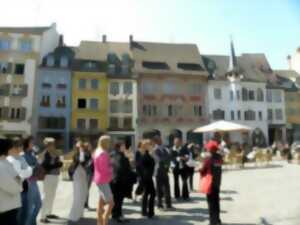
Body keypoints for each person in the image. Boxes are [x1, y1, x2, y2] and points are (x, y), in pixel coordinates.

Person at [7, 137, 33, 225]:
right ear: (15, 147)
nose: (22, 148)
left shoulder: (21, 158)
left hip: (24, 190)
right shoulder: (8, 160)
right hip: (15, 192)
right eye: (21, 146)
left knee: (24, 215)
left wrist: (23, 174)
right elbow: (18, 176)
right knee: (17, 217)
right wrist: (23, 174)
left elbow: (29, 171)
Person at [0, 137, 23, 225]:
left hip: (9, 209)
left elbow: (19, 179)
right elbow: (14, 187)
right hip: (5, 211)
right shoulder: (1, 165)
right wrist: (19, 183)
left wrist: (18, 181)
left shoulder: (5, 163)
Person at [40, 137, 63, 223]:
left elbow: (60, 163)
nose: (54, 145)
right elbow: (46, 166)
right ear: (48, 145)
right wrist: (57, 164)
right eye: (52, 144)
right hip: (48, 177)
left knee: (51, 196)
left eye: (53, 144)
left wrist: (57, 164)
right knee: (46, 196)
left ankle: (48, 213)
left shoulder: (55, 153)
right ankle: (43, 216)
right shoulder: (45, 154)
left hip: (55, 176)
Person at [200, 140, 223, 225]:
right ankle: (217, 219)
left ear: (210, 149)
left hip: (210, 183)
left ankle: (212, 221)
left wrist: (200, 168)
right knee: (216, 201)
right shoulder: (220, 158)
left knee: (211, 203)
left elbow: (203, 170)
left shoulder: (208, 159)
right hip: (217, 182)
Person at [69, 141, 92, 222]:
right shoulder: (77, 154)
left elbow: (87, 160)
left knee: (83, 193)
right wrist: (81, 150)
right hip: (77, 174)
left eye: (82, 146)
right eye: (79, 146)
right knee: (78, 194)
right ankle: (74, 215)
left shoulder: (86, 153)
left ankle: (80, 213)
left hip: (82, 173)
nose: (81, 147)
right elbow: (81, 160)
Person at [93, 135, 114, 225]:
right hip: (103, 179)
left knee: (101, 202)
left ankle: (99, 222)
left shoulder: (97, 151)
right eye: (109, 142)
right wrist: (112, 169)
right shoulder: (103, 153)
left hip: (98, 178)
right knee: (111, 203)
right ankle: (105, 222)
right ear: (105, 143)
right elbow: (104, 169)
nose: (110, 144)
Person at [110, 142, 132, 223]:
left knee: (116, 199)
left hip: (113, 180)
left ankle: (115, 214)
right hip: (120, 181)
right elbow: (122, 168)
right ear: (119, 147)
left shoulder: (112, 154)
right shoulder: (121, 156)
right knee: (119, 200)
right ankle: (118, 216)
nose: (125, 147)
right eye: (123, 146)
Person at [23, 136, 42, 225]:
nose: (33, 144)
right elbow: (26, 169)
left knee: (38, 204)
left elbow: (37, 164)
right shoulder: (23, 155)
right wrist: (35, 166)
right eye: (32, 142)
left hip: (34, 181)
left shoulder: (32, 153)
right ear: (27, 143)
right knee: (30, 207)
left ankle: (31, 222)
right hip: (28, 181)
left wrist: (38, 161)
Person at [153, 135, 173, 209]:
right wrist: (167, 158)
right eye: (160, 140)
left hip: (165, 170)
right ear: (156, 141)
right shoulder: (155, 149)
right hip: (158, 171)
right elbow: (160, 159)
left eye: (161, 139)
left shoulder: (164, 149)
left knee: (167, 187)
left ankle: (168, 204)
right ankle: (159, 204)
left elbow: (169, 157)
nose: (161, 141)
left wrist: (167, 161)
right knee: (159, 188)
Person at [139, 139, 156, 218]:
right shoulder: (145, 155)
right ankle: (149, 212)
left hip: (146, 177)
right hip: (147, 178)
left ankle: (145, 211)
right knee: (151, 194)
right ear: (146, 146)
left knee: (147, 194)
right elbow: (143, 168)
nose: (151, 146)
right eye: (150, 145)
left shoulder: (146, 154)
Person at [83, 142, 94, 211]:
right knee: (86, 189)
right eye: (89, 146)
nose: (90, 147)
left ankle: (85, 204)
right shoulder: (85, 154)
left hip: (89, 172)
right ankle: (85, 204)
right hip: (87, 172)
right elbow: (86, 164)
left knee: (87, 189)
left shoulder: (89, 153)